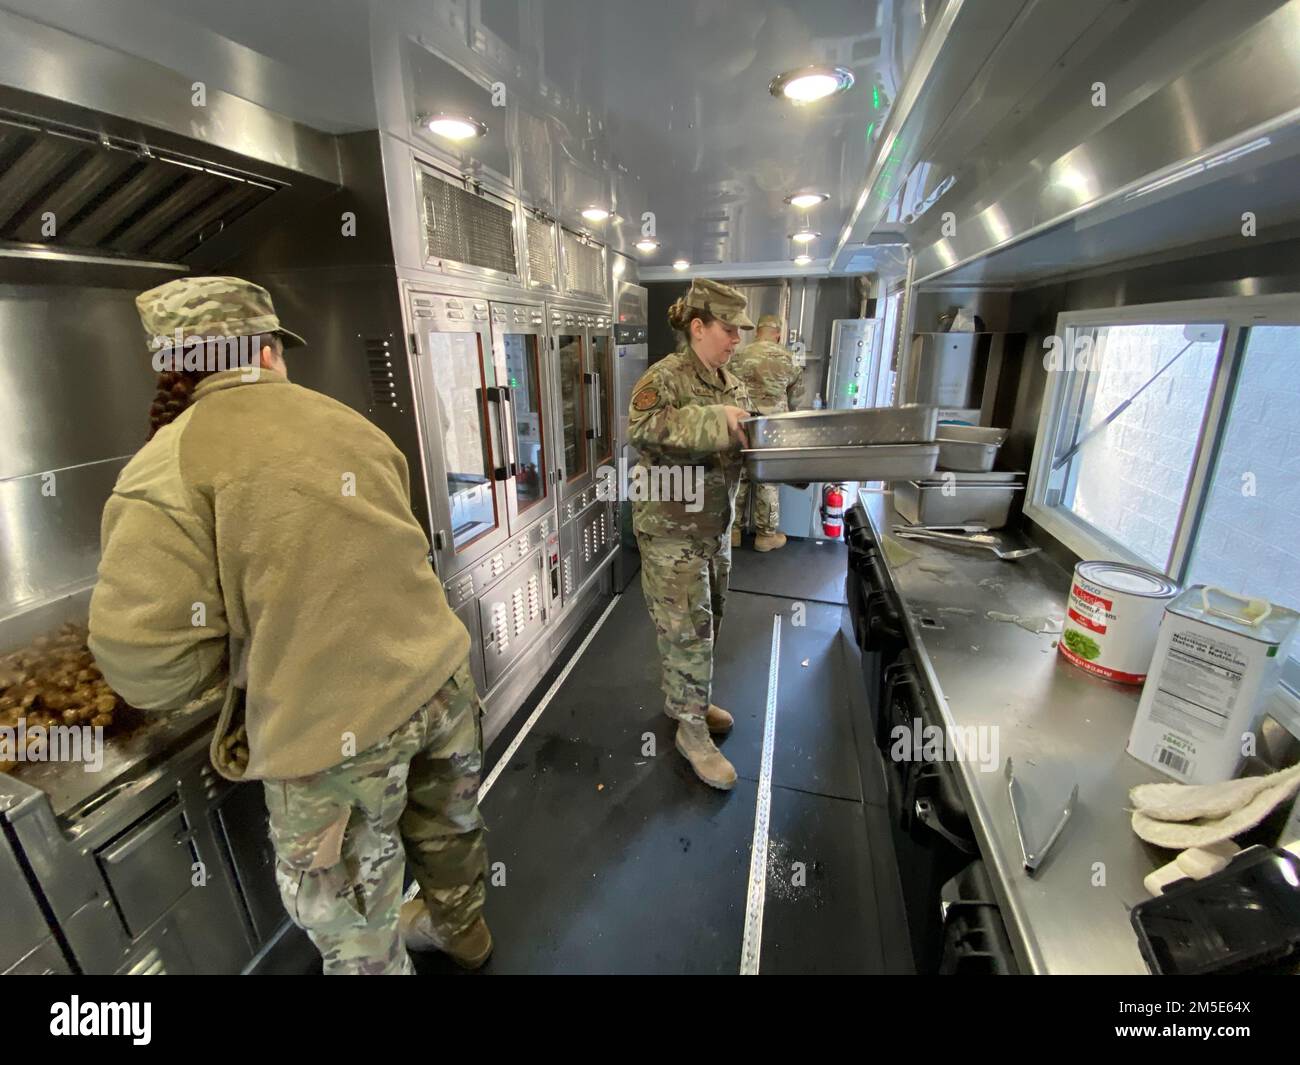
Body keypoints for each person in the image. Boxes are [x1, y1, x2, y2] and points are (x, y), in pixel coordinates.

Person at [88, 276, 491, 974]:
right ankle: (465, 932)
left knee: (355, 910)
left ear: (172, 367)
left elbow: (144, 660)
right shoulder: (348, 422)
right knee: (448, 828)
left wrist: (245, 664)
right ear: (269, 352)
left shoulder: (163, 468)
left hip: (333, 730)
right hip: (442, 679)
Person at [627, 279, 754, 790]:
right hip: (671, 533)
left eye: (740, 331)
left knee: (710, 619)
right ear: (697, 328)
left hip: (713, 528)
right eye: (728, 329)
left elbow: (745, 439)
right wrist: (716, 421)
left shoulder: (730, 380)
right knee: (686, 629)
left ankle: (691, 704)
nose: (736, 340)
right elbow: (642, 426)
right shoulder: (666, 378)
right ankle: (691, 731)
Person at [729, 313, 805, 552]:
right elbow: (796, 396)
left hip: (743, 424)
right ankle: (765, 535)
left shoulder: (738, 355)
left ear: (756, 332)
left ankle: (733, 532)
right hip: (773, 427)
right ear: (778, 335)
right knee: (768, 481)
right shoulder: (788, 357)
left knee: (739, 476)